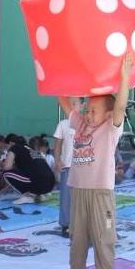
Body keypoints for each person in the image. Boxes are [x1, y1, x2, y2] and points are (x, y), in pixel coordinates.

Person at [54, 52, 132, 269]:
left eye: (93, 110)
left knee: (104, 238)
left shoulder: (111, 128)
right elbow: (65, 103)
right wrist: (54, 77)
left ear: (108, 114)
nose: (88, 114)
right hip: (79, 192)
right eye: (87, 109)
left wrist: (124, 76)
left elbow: (120, 106)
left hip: (101, 196)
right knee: (77, 239)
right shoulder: (81, 125)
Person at [53, 98, 82, 238]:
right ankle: (66, 224)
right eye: (69, 103)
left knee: (82, 197)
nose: (71, 106)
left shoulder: (85, 123)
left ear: (82, 105)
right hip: (68, 166)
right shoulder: (63, 124)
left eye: (75, 103)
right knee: (66, 197)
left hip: (83, 167)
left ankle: (81, 224)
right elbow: (57, 145)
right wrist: (57, 160)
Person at [2, 137, 56, 205]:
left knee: (6, 173)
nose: (5, 149)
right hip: (51, 184)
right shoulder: (31, 149)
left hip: (40, 183)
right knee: (30, 175)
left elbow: (6, 167)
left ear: (11, 143)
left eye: (5, 146)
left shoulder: (14, 147)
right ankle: (38, 195)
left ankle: (27, 196)